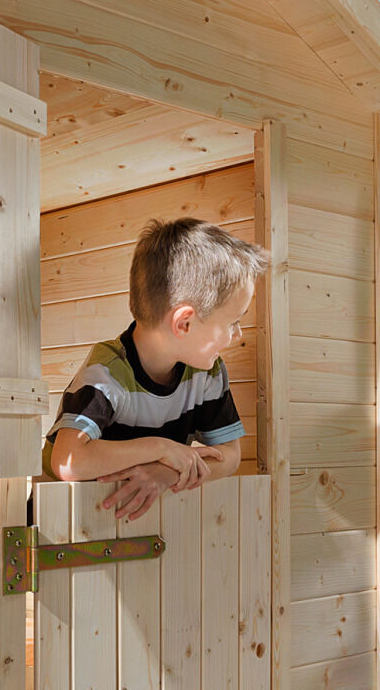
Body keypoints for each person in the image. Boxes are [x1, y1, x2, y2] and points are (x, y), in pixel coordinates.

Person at [46, 218, 269, 522]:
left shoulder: (207, 372)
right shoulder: (106, 372)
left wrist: (169, 472)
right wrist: (161, 449)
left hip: (126, 521)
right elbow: (68, 462)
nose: (238, 334)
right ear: (184, 324)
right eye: (233, 322)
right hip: (62, 519)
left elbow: (229, 456)